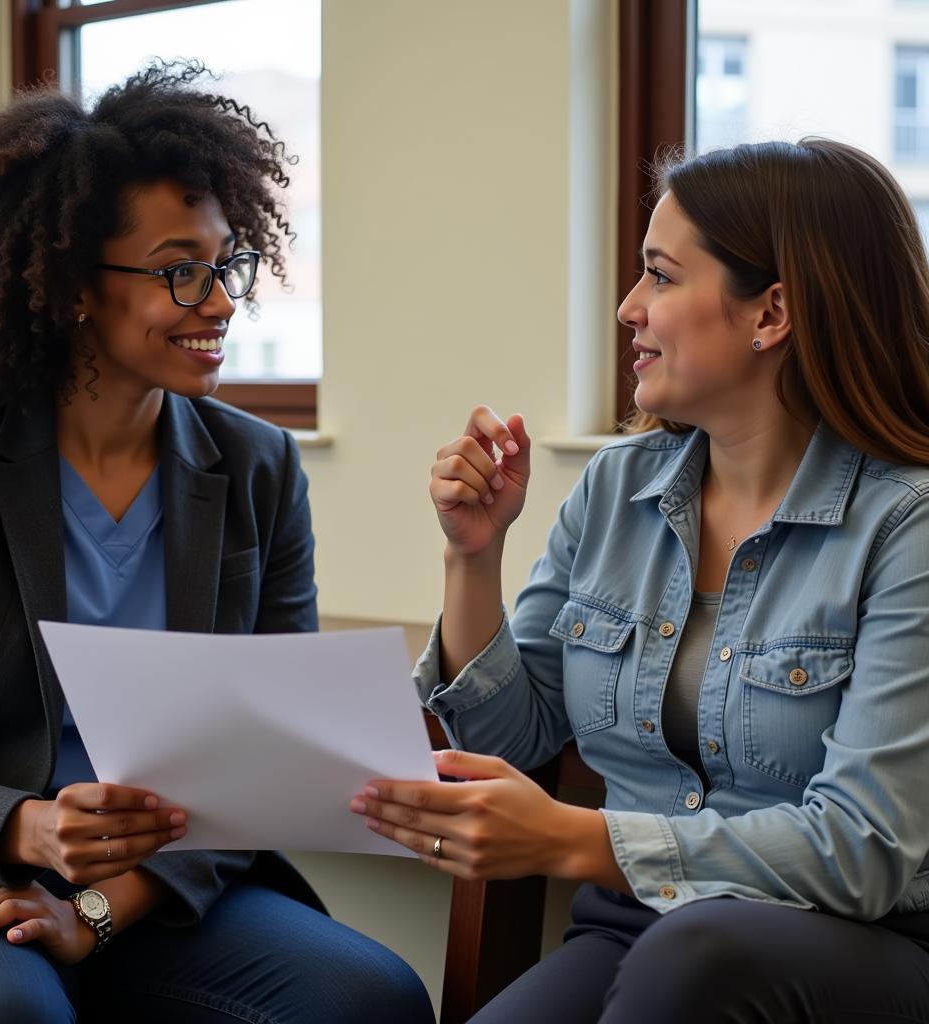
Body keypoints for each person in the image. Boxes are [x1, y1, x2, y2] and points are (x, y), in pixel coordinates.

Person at [352, 138, 929, 1022]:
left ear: (770, 311)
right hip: (636, 927)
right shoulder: (618, 488)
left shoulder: (907, 523)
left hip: (865, 944)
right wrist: (473, 556)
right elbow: (515, 740)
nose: (629, 308)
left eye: (661, 277)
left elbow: (862, 849)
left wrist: (575, 837)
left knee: (700, 960)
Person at [0, 62, 434, 1024]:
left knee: (373, 996)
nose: (221, 301)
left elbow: (277, 758)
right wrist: (25, 828)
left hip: (169, 888)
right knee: (2, 1016)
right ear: (71, 287)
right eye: (179, 270)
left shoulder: (259, 467)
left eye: (226, 264)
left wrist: (100, 909)